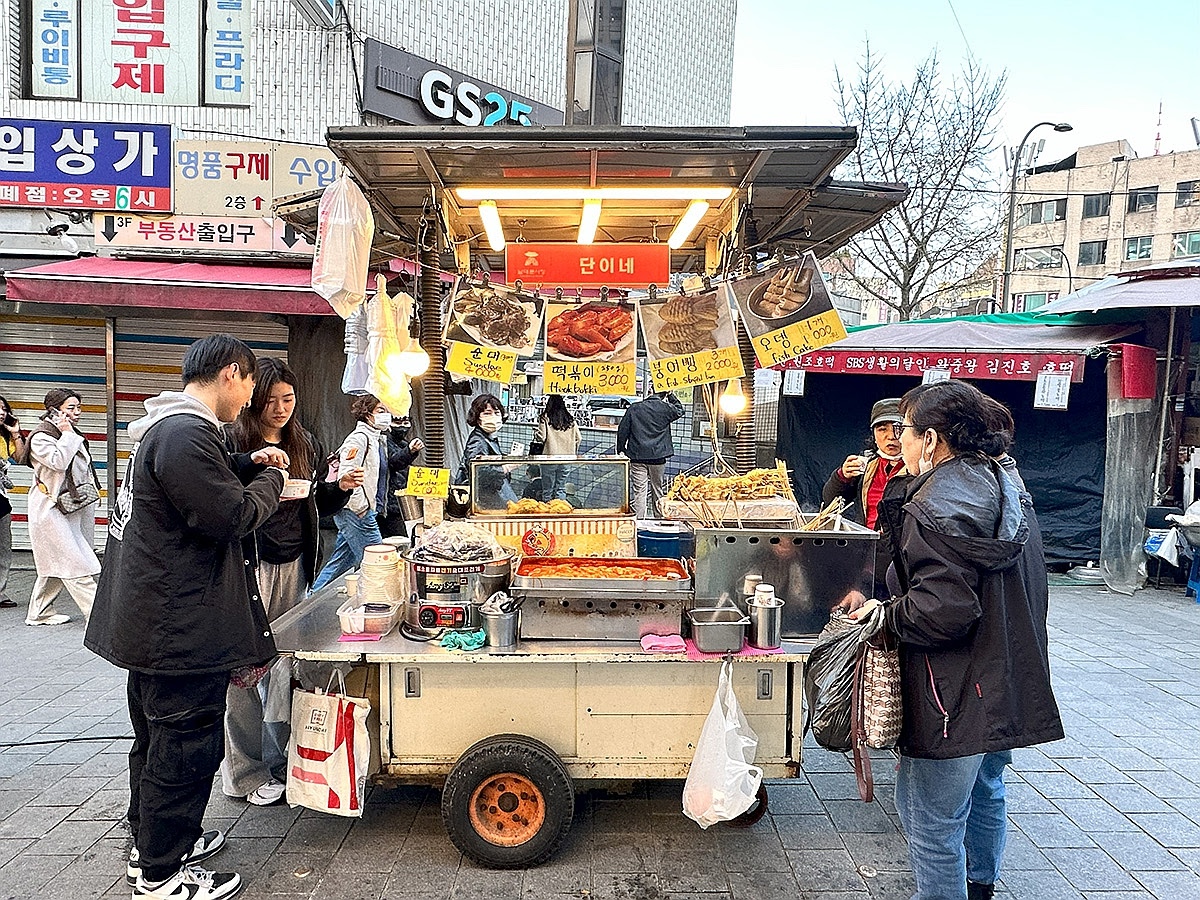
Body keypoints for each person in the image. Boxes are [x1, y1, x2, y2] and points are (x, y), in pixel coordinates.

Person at [84, 335, 288, 900]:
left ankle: (158, 841)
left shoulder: (169, 429)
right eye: (250, 385)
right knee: (183, 746)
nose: (250, 399)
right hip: (179, 628)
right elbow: (231, 513)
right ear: (231, 374)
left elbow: (204, 475)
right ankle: (158, 874)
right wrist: (272, 480)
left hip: (156, 624)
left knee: (155, 741)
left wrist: (248, 460)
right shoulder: (185, 434)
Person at [854, 381, 1064, 900]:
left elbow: (944, 610)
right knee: (987, 786)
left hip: (953, 689)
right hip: (1005, 670)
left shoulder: (936, 504)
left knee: (930, 821)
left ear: (932, 440)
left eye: (904, 430)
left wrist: (882, 616)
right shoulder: (1006, 484)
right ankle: (980, 887)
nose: (897, 441)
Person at [221, 358, 359, 807]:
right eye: (271, 400)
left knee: (283, 664)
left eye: (289, 399)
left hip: (294, 563)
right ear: (253, 399)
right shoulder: (234, 443)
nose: (281, 409)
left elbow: (317, 502)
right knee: (242, 668)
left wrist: (339, 487)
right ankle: (243, 774)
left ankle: (281, 755)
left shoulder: (304, 442)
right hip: (249, 564)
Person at [25, 388, 101, 626]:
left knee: (56, 561)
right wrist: (67, 433)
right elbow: (58, 462)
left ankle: (39, 612)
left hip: (71, 507)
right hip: (50, 510)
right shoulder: (41, 437)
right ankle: (99, 618)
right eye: (71, 408)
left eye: (78, 407)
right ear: (54, 409)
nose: (77, 413)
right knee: (75, 563)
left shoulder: (68, 432)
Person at [823, 398, 909, 600]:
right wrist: (842, 476)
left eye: (898, 429)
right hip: (864, 558)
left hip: (899, 562)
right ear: (874, 434)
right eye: (882, 429)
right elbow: (831, 500)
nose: (891, 437)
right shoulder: (868, 465)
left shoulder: (918, 468)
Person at [311, 393, 393, 591]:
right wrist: (361, 508)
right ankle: (380, 601)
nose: (386, 415)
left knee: (340, 563)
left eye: (388, 411)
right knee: (380, 564)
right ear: (367, 413)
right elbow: (348, 476)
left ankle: (311, 596)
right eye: (381, 410)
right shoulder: (358, 439)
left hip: (361, 510)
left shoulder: (376, 439)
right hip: (356, 512)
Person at [616, 390, 684, 518]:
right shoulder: (666, 408)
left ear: (650, 391)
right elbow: (680, 410)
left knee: (639, 491)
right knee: (657, 490)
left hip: (637, 456)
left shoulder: (635, 408)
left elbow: (623, 429)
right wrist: (671, 395)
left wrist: (621, 449)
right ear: (664, 395)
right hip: (658, 457)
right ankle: (659, 518)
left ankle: (639, 521)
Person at [456, 393, 517, 503]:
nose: (493, 416)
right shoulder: (478, 440)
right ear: (477, 418)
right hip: (480, 499)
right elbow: (479, 471)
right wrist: (506, 467)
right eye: (487, 413)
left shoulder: (489, 436)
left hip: (489, 495)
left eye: (497, 413)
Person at [379, 415, 424, 540]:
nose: (402, 427)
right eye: (397, 422)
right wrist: (410, 451)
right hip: (388, 502)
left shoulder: (403, 443)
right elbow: (394, 462)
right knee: (398, 540)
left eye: (406, 422)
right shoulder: (382, 441)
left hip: (398, 500)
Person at [0, 395, 25, 609]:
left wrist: (16, 433)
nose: (1, 413)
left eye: (4, 409)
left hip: (1, 498)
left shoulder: (5, 436)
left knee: (3, 547)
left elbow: (21, 457)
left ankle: (0, 592)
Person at [533, 395, 581, 502]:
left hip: (549, 458)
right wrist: (572, 452)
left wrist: (536, 432)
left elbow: (542, 437)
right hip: (567, 458)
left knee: (547, 490)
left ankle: (547, 514)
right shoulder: (570, 419)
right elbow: (579, 438)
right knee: (560, 488)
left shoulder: (545, 418)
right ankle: (559, 512)